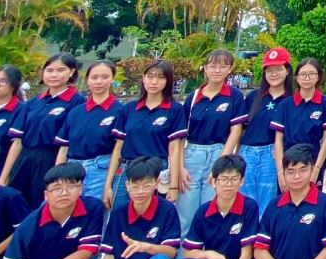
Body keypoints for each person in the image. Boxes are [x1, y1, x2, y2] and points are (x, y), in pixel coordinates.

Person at [0, 53, 83, 207]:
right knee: (15, 206)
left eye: (60, 70)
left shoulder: (78, 102)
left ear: (71, 72)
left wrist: (57, 177)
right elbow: (18, 141)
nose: (54, 75)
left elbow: (66, 144)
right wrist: (4, 177)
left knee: (44, 208)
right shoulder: (34, 102)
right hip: (24, 160)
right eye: (49, 70)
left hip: (51, 160)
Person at [176, 49, 247, 232]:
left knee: (212, 211)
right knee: (186, 215)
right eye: (213, 66)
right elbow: (181, 136)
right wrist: (180, 167)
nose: (217, 70)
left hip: (219, 152)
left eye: (222, 66)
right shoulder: (193, 98)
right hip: (192, 155)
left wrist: (221, 163)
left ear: (230, 69)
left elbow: (236, 130)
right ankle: (185, 250)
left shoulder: (235, 96)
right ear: (205, 68)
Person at [114, 59, 187, 206]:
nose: (154, 82)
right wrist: (108, 185)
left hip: (157, 170)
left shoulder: (175, 109)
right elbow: (118, 148)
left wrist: (173, 186)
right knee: (120, 212)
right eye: (150, 76)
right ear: (143, 78)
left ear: (168, 81)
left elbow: (174, 149)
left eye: (160, 77)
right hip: (127, 169)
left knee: (154, 214)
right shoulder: (129, 108)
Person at [54, 58, 124, 210]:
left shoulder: (120, 111)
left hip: (101, 170)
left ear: (112, 79)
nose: (99, 82)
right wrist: (57, 178)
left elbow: (117, 150)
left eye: (104, 77)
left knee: (95, 213)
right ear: (87, 80)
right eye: (94, 77)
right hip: (72, 170)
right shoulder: (76, 112)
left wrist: (108, 185)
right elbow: (64, 147)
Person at [239, 48, 292, 211]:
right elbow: (241, 129)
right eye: (269, 70)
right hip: (247, 153)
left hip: (272, 155)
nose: (273, 74)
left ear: (287, 70)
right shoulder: (253, 97)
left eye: (278, 69)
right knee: (245, 204)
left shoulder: (292, 100)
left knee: (267, 204)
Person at [278, 57, 326, 190]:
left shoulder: (325, 103)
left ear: (318, 77)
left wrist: (317, 168)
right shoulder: (286, 104)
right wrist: (280, 171)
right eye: (303, 74)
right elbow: (278, 140)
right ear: (296, 78)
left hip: (313, 158)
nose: (307, 78)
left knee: (312, 198)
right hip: (289, 159)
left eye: (312, 74)